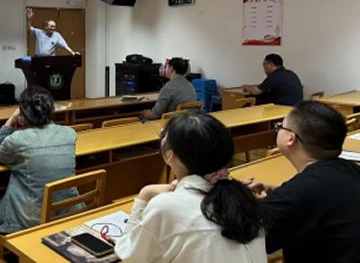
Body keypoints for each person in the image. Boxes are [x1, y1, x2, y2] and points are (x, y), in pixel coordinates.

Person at [115, 112, 270, 262]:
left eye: (163, 134)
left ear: (170, 156)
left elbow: (130, 255)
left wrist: (144, 195)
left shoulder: (165, 206)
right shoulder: (243, 195)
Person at [245, 101, 360, 263]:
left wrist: (242, 201)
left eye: (280, 126)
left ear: (290, 138)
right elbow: (321, 198)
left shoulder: (300, 192)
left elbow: (251, 240)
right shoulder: (350, 169)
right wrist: (277, 191)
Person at [0, 86, 78, 234]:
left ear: (23, 113)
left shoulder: (17, 139)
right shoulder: (69, 133)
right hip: (68, 211)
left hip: (32, 219)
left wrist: (10, 121)